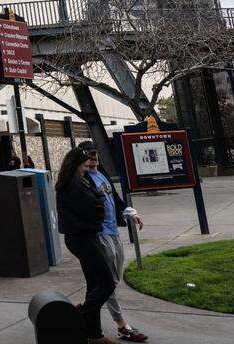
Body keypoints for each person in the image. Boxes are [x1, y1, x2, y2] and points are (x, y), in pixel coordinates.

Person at [78, 141, 149, 342]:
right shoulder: (82, 179)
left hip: (113, 231)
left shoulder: (101, 173)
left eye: (95, 153)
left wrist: (130, 213)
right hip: (100, 234)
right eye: (89, 155)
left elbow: (115, 198)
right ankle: (122, 326)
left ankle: (84, 308)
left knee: (114, 280)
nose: (94, 158)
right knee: (107, 282)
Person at [55, 147, 118, 344]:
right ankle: (80, 313)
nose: (87, 166)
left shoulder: (77, 181)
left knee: (94, 285)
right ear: (75, 164)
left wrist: (98, 202)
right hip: (82, 238)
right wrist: (99, 203)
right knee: (106, 283)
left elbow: (97, 203)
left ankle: (94, 334)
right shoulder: (73, 184)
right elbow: (95, 208)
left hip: (84, 236)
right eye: (83, 164)